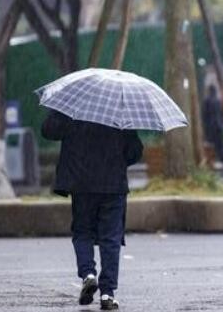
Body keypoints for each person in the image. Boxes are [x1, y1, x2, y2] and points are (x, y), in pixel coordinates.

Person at [41, 110, 143, 310]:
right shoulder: (119, 108)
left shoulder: (74, 105)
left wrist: (63, 117)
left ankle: (88, 273)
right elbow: (134, 151)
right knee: (111, 238)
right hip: (113, 184)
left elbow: (49, 131)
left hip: (82, 182)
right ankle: (107, 293)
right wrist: (117, 159)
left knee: (82, 232)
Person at [201, 84, 223, 178]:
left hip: (211, 129)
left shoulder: (207, 101)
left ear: (208, 91)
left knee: (209, 150)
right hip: (220, 128)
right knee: (221, 149)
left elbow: (204, 117)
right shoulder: (218, 101)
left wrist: (205, 130)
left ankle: (211, 170)